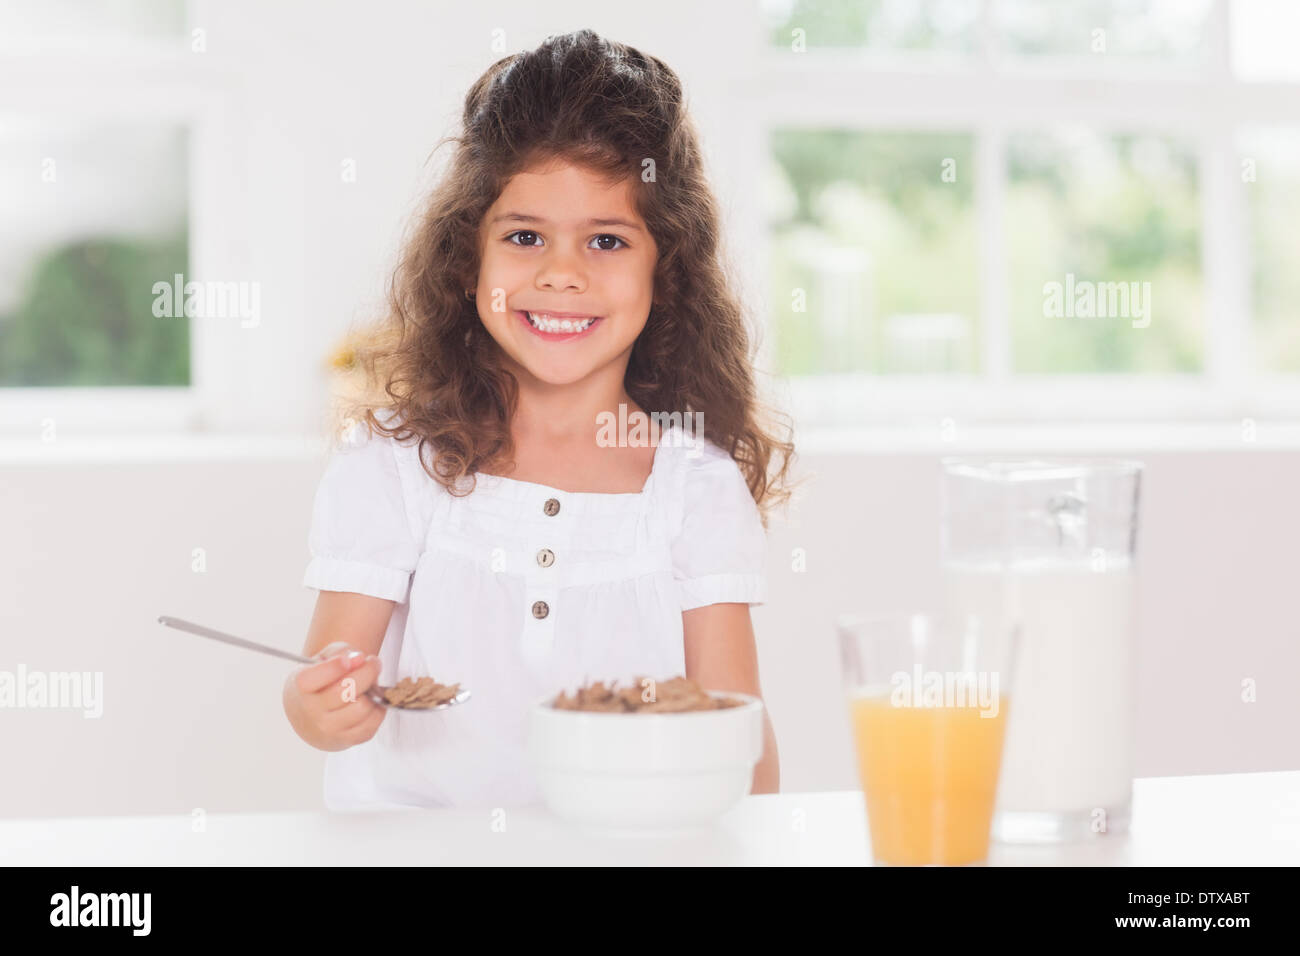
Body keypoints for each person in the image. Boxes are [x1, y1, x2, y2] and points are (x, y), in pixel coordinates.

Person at [283, 29, 797, 810]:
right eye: (525, 237)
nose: (562, 273)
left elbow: (744, 751)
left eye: (607, 239)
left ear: (668, 269)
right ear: (467, 261)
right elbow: (327, 679)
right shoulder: (392, 464)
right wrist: (316, 706)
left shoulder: (695, 489)